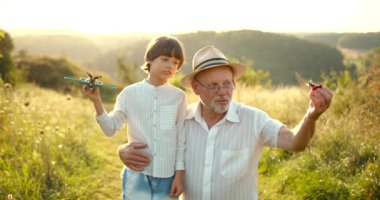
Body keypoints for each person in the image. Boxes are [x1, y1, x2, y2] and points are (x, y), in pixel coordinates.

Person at [118, 45, 333, 200]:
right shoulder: (182, 119)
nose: (223, 93)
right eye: (213, 86)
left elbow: (296, 142)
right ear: (196, 88)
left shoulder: (253, 119)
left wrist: (311, 116)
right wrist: (123, 151)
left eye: (228, 84)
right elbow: (151, 138)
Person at [83, 36, 187, 200]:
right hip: (136, 173)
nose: (170, 66)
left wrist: (180, 175)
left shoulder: (179, 97)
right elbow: (110, 129)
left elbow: (182, 137)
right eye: (165, 59)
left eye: (175, 62)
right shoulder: (129, 93)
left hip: (167, 175)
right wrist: (96, 101)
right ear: (150, 59)